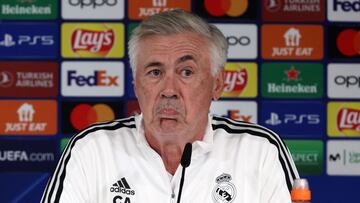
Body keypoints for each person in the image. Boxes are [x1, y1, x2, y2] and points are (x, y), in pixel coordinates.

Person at [41, 9, 299, 203]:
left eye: (186, 72)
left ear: (217, 84)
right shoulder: (92, 149)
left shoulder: (260, 151)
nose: (168, 90)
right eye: (154, 72)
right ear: (135, 84)